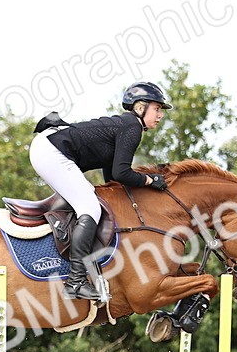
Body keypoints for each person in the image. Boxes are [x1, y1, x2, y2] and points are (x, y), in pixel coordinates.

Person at [29, 81, 172, 300]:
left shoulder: (125, 125)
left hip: (48, 148)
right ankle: (75, 282)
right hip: (51, 151)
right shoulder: (132, 126)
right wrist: (150, 180)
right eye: (157, 108)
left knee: (89, 200)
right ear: (140, 107)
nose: (160, 115)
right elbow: (122, 173)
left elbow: (113, 177)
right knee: (90, 208)